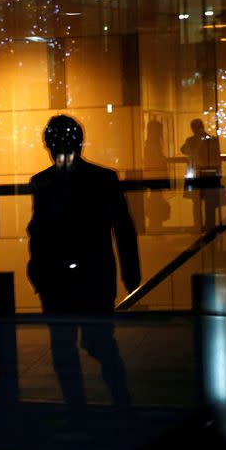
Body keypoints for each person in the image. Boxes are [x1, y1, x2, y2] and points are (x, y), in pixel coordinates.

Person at [27, 115, 141, 429]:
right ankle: (121, 405)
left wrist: (37, 272)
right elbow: (123, 228)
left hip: (60, 277)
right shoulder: (103, 179)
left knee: (69, 347)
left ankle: (81, 411)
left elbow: (39, 232)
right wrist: (131, 272)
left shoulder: (44, 181)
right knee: (100, 343)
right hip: (91, 274)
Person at [181, 119, 224, 232]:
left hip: (196, 174)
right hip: (210, 175)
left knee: (196, 203)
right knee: (210, 203)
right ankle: (210, 227)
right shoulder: (213, 140)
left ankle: (198, 226)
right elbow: (217, 158)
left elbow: (184, 150)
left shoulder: (190, 141)